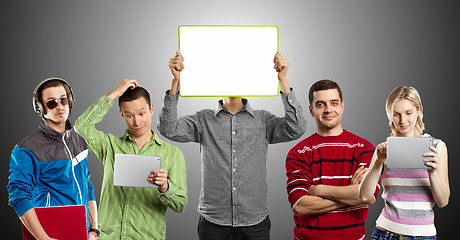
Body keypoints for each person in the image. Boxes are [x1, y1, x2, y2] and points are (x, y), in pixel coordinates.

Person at [158, 51, 306, 239]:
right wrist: (176, 82)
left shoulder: (263, 119)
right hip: (213, 221)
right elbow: (168, 129)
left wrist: (282, 80)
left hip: (255, 221)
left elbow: (297, 128)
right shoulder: (204, 119)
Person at [74, 79, 187, 240]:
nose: (137, 121)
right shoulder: (110, 146)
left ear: (151, 110)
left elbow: (181, 204)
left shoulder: (173, 154)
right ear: (122, 115)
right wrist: (114, 94)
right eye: (129, 115)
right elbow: (81, 127)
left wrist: (165, 186)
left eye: (142, 113)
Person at [285, 79, 379, 240]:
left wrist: (320, 190)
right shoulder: (298, 152)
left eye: (334, 103)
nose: (328, 110)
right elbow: (300, 206)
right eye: (320, 104)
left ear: (342, 107)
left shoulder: (365, 149)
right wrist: (352, 194)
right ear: (311, 110)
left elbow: (368, 195)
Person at [7, 78, 99, 240]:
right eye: (51, 102)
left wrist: (94, 229)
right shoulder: (26, 149)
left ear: (69, 101)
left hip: (82, 234)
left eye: (63, 100)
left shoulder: (79, 141)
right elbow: (18, 196)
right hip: (51, 234)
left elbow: (88, 186)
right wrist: (44, 239)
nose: (59, 106)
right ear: (40, 108)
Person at [359, 86, 450, 239]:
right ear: (390, 115)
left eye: (408, 113)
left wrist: (432, 172)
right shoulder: (384, 149)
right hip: (386, 233)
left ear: (418, 110)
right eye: (396, 114)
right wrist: (377, 162)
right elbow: (364, 195)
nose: (403, 121)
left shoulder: (437, 147)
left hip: (424, 235)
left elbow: (443, 201)